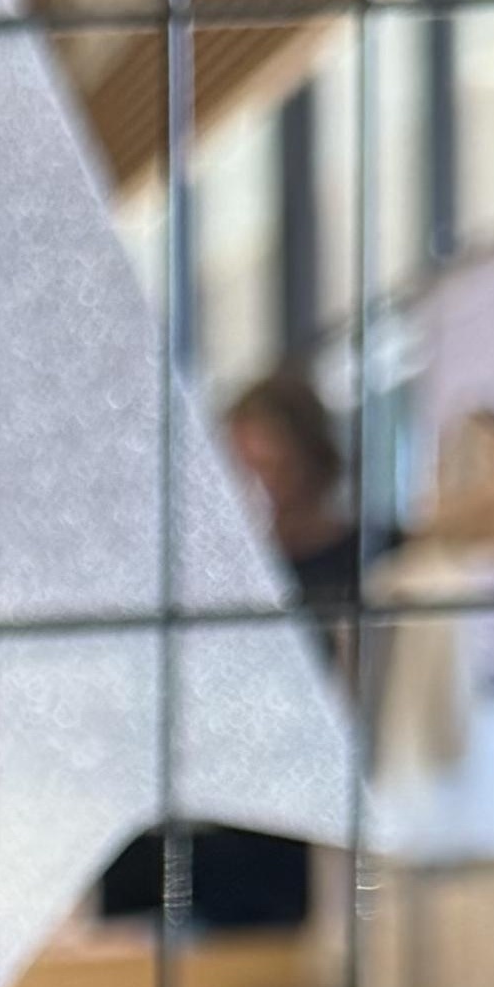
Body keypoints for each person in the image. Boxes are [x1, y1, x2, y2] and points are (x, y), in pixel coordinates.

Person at [95, 361, 365, 934]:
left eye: (268, 464)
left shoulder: (370, 565)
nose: (253, 484)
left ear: (310, 458)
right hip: (236, 802)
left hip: (326, 813)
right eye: (237, 468)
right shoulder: (221, 583)